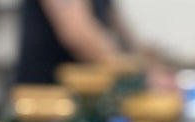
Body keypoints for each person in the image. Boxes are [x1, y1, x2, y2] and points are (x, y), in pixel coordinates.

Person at [16, 0, 176, 89]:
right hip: (45, 103)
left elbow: (116, 25)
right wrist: (142, 77)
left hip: (86, 97)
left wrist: (148, 64)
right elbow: (78, 34)